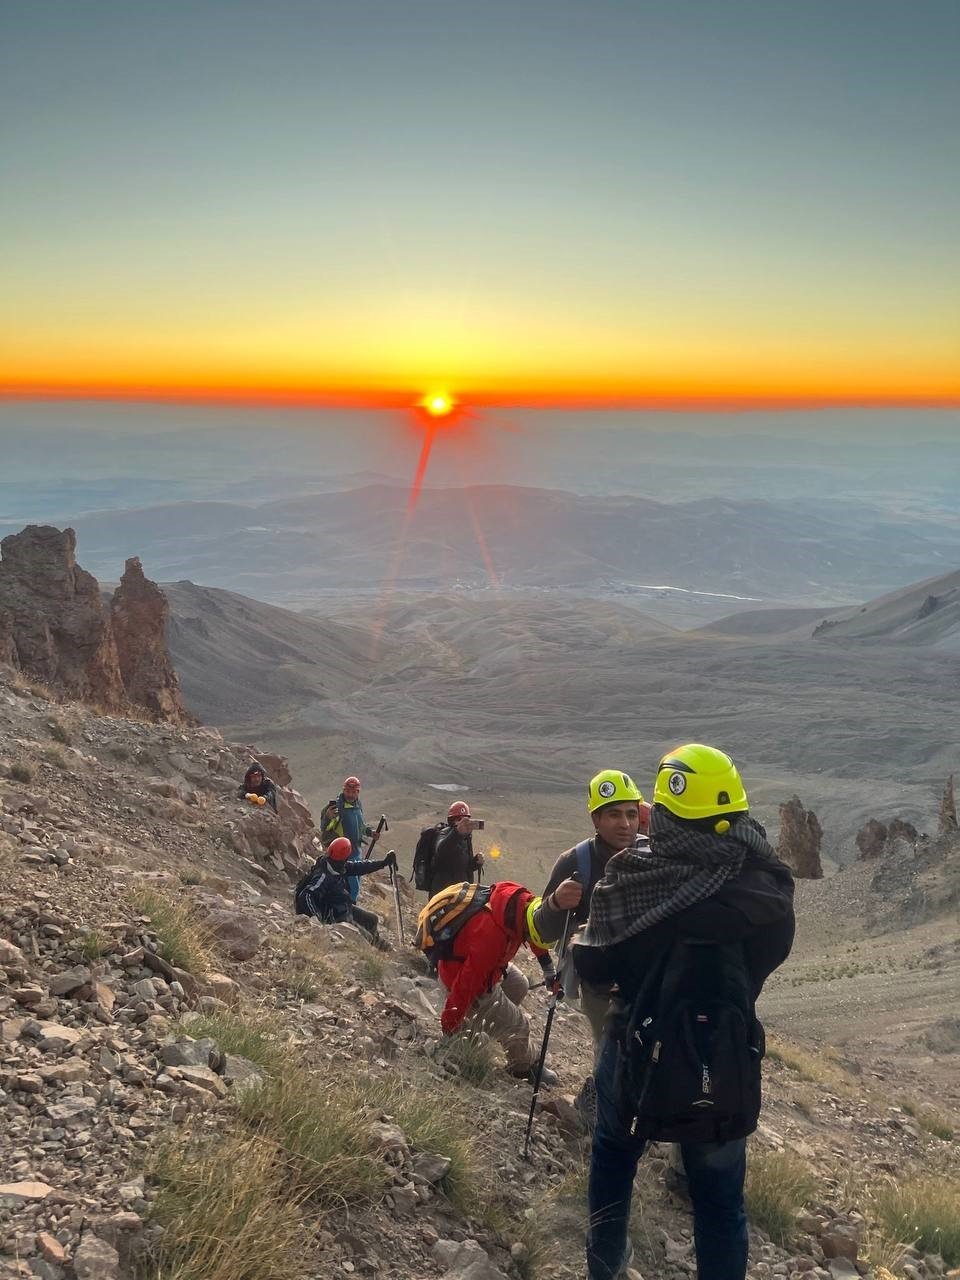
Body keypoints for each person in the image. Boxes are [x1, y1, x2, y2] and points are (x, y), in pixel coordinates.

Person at [574, 744, 795, 1280]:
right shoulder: (768, 888)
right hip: (723, 1056)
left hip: (635, 1051)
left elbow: (597, 969)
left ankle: (604, 1270)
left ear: (668, 815)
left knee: (612, 1159)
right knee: (720, 1201)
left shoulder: (630, 881)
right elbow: (767, 961)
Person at [436, 877, 582, 1086]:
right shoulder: (490, 937)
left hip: (478, 965)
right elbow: (466, 982)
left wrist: (548, 970)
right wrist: (449, 1026)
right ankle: (523, 1067)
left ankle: (487, 1022)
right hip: (462, 978)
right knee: (520, 1025)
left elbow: (534, 931)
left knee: (519, 983)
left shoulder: (522, 904)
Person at [295, 836, 396, 950]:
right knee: (365, 937)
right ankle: (375, 947)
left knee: (372, 919)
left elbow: (359, 867)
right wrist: (317, 919)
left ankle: (379, 943)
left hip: (342, 907)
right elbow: (306, 895)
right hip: (334, 915)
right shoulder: (324, 875)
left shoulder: (335, 865)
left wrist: (383, 863)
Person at [320, 776, 374, 904]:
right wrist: (328, 817)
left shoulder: (358, 805)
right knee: (352, 886)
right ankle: (348, 910)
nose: (350, 794)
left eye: (353, 792)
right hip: (342, 854)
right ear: (343, 790)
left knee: (355, 883)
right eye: (347, 791)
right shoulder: (336, 808)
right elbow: (324, 827)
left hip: (356, 851)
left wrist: (370, 833)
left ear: (358, 792)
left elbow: (360, 826)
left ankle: (348, 908)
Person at [426, 800, 485, 897]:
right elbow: (440, 851)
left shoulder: (466, 838)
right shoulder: (443, 834)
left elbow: (464, 868)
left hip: (460, 894)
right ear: (451, 820)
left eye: (466, 819)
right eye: (459, 819)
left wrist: (476, 862)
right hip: (443, 895)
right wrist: (457, 833)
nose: (462, 821)